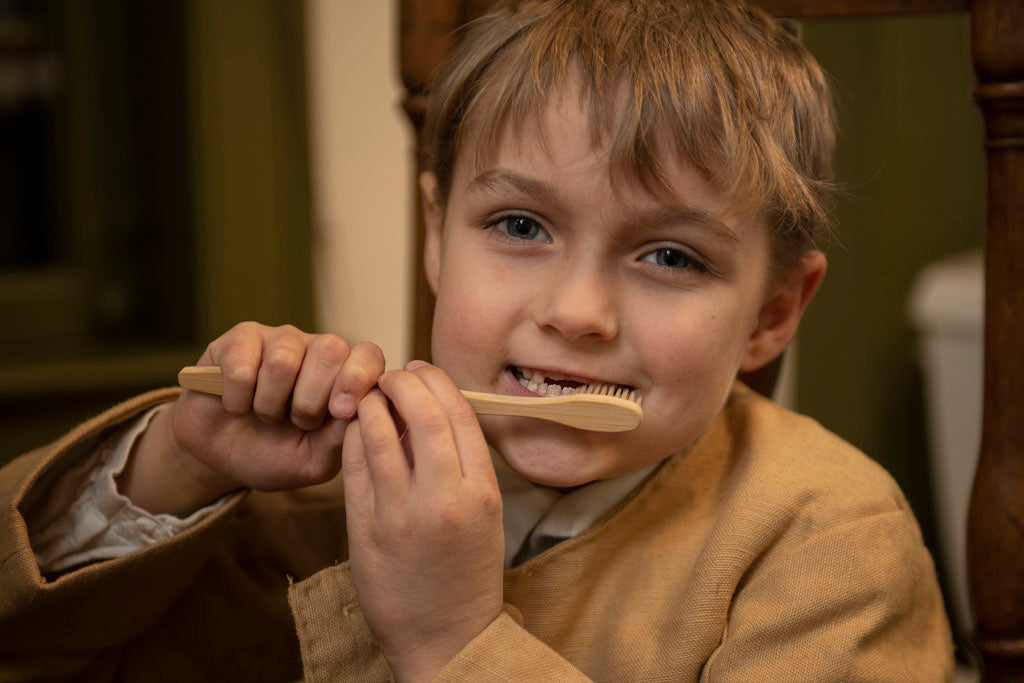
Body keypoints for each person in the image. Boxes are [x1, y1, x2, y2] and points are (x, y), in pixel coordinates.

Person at [0, 0, 954, 680]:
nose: (578, 311)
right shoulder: (311, 473)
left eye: (669, 254)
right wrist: (175, 468)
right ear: (434, 233)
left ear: (775, 311)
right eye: (521, 227)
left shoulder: (829, 542)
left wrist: (454, 642)